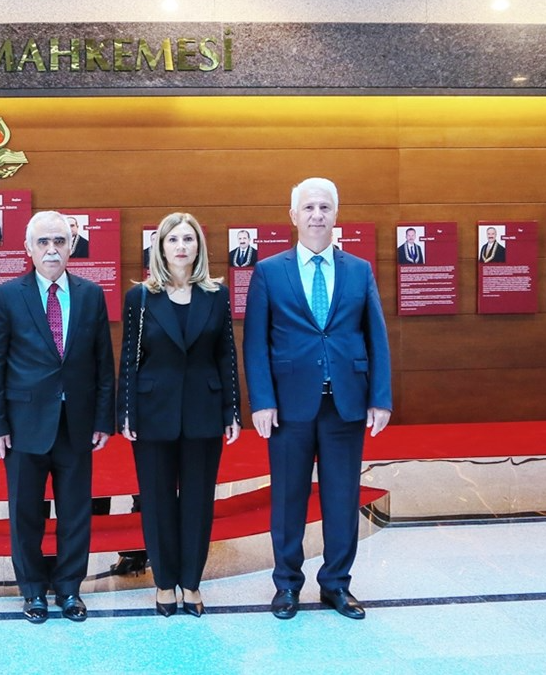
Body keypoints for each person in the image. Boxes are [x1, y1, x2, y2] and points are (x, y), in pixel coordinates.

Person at [244, 177, 392, 621]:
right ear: (293, 216)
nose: (316, 215)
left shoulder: (359, 270)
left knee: (342, 499)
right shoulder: (270, 271)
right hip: (288, 407)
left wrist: (380, 397)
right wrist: (262, 400)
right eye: (308, 207)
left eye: (324, 207)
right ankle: (287, 585)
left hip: (345, 404)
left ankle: (336, 584)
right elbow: (255, 342)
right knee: (288, 498)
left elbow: (376, 335)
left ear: (336, 214)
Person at [0, 210, 115, 625]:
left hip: (77, 423)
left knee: (75, 511)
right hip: (23, 425)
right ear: (28, 248)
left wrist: (103, 419)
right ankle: (33, 590)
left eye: (59, 241)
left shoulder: (91, 295)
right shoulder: (7, 295)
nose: (52, 249)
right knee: (25, 513)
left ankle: (70, 588)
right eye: (43, 242)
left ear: (71, 246)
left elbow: (103, 362)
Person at [118, 212, 241, 618]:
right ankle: (164, 583)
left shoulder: (216, 295)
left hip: (204, 412)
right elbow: (130, 359)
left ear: (199, 247)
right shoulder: (140, 297)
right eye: (173, 240)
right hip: (153, 413)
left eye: (188, 239)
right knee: (156, 502)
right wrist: (126, 411)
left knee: (198, 502)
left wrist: (232, 410)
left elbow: (226, 355)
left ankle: (191, 583)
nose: (181, 246)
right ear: (160, 248)